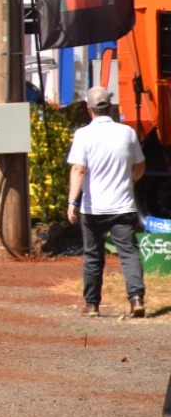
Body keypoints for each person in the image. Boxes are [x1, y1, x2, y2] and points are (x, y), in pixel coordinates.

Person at [66, 86, 146, 318]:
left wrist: (72, 202)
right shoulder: (127, 133)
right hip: (123, 205)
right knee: (128, 253)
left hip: (94, 208)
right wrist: (130, 180)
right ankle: (136, 298)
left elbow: (79, 170)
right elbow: (140, 165)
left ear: (88, 109)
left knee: (93, 255)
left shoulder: (83, 135)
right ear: (110, 107)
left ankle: (92, 305)